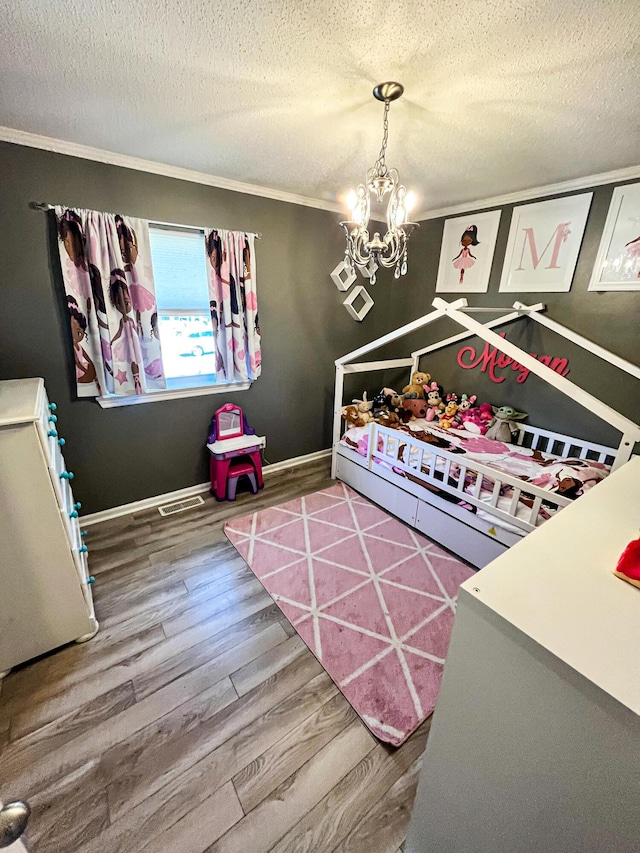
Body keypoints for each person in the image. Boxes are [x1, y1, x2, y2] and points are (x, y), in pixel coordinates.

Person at [109, 269, 143, 393]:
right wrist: (112, 341)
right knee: (131, 360)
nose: (123, 306)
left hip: (134, 343)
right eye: (119, 303)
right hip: (125, 344)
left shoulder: (130, 319)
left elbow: (136, 329)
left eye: (127, 302)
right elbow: (118, 331)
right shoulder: (122, 320)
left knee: (136, 361)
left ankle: (138, 379)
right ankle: (134, 380)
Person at [68, 296, 101, 393]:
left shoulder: (79, 346)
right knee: (88, 373)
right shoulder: (74, 348)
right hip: (80, 370)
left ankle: (94, 379)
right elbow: (78, 362)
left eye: (79, 333)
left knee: (91, 367)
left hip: (83, 368)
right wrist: (87, 371)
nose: (76, 337)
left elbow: (88, 358)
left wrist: (92, 366)